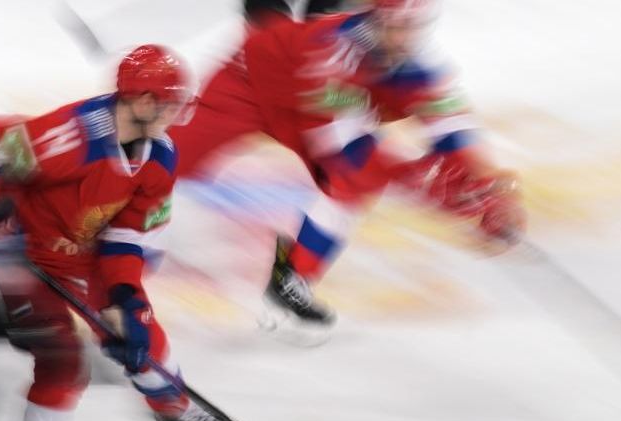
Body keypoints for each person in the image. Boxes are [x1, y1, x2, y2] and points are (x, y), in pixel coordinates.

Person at [0, 44, 230, 421]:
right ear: (144, 102)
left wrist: (124, 298)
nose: (176, 115)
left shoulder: (160, 156)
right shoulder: (70, 137)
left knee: (142, 336)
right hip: (24, 260)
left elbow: (127, 239)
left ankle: (169, 404)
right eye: (171, 104)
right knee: (62, 369)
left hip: (83, 253)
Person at [170, 0, 525, 331]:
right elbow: (349, 154)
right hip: (248, 86)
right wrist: (443, 193)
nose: (402, 39)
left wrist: (483, 182)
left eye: (411, 28)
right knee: (168, 161)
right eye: (394, 27)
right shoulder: (330, 53)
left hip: (306, 102)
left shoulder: (418, 67)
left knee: (350, 185)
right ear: (374, 20)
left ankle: (291, 279)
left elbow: (452, 127)